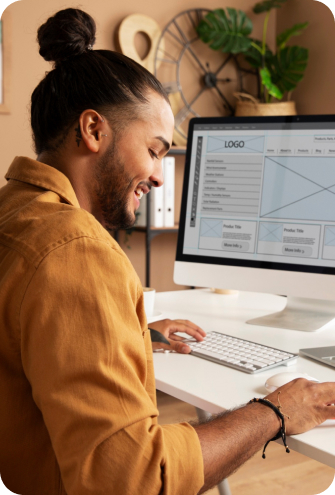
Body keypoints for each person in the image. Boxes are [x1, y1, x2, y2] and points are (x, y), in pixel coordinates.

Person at [0, 8, 334, 495]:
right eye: (155, 150)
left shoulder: (16, 211)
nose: (160, 175)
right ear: (93, 130)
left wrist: (124, 332)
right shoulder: (77, 252)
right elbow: (135, 481)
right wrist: (277, 412)